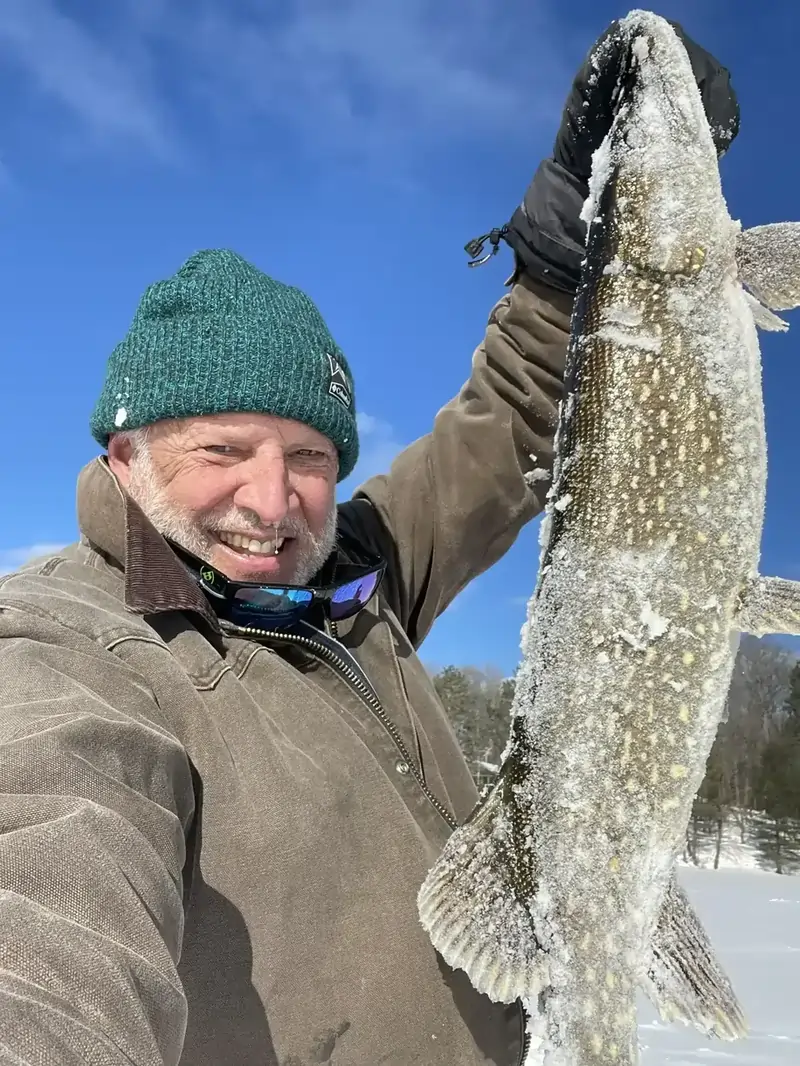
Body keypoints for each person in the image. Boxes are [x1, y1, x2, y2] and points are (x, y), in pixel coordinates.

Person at [0, 19, 738, 1066]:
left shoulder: (350, 569)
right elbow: (44, 908)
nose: (275, 498)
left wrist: (563, 241)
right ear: (125, 455)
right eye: (223, 447)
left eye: (309, 455)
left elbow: (514, 415)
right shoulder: (58, 648)